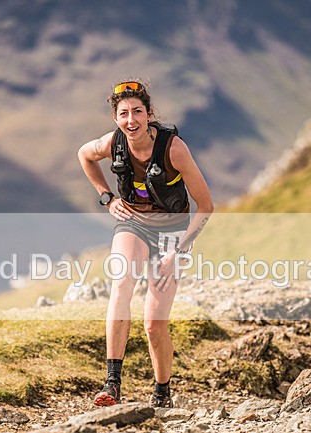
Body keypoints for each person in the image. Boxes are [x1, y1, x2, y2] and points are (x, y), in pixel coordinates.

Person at [78, 80, 213, 408]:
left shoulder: (174, 148)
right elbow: (84, 155)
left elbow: (205, 207)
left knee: (154, 323)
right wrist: (107, 197)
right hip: (133, 224)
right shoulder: (114, 142)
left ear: (149, 114)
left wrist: (177, 254)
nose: (131, 119)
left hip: (173, 233)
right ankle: (112, 385)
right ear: (116, 118)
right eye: (123, 113)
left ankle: (162, 392)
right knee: (121, 282)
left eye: (137, 111)